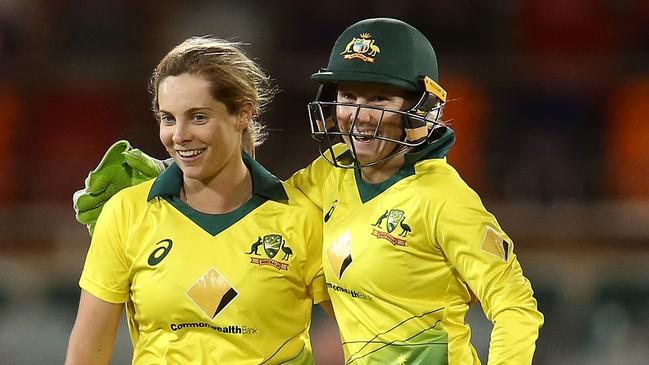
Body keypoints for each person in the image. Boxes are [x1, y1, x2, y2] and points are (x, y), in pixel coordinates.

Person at [73, 18, 543, 364]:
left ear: (417, 106)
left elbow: (516, 307)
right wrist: (161, 183)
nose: (357, 115)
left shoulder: (445, 199)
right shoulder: (328, 179)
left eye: (378, 99)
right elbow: (246, 197)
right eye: (348, 97)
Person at [66, 36, 331, 365]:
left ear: (243, 114)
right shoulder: (126, 212)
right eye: (168, 118)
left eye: (198, 117)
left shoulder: (301, 216)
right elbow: (88, 351)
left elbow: (361, 327)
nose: (179, 135)